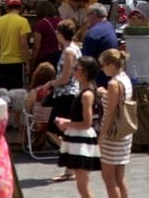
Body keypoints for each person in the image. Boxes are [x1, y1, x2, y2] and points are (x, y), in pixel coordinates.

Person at [56, 55, 102, 198]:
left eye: (76, 68)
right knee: (82, 185)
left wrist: (65, 123)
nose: (73, 71)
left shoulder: (86, 95)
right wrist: (67, 122)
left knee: (83, 185)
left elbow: (87, 123)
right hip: (78, 137)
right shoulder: (86, 91)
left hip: (81, 139)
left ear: (85, 72)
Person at [99, 49, 134, 198]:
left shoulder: (113, 83)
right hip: (123, 131)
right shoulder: (125, 78)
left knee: (109, 178)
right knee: (119, 176)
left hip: (112, 133)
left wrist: (101, 136)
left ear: (111, 65)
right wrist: (105, 93)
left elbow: (110, 113)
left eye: (103, 65)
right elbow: (119, 100)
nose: (102, 69)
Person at [47, 18, 82, 164]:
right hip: (69, 93)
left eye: (57, 32)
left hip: (66, 94)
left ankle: (70, 154)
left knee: (53, 127)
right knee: (65, 129)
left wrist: (51, 83)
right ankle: (70, 156)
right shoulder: (74, 48)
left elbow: (65, 78)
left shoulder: (68, 51)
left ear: (61, 34)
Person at [0, 0, 31, 89]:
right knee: (16, 92)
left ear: (7, 8)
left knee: (4, 91)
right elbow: (23, 44)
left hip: (3, 62)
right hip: (17, 63)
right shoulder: (23, 21)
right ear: (20, 8)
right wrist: (27, 63)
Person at [83, 3, 118, 88]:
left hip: (99, 80)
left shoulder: (92, 34)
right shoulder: (109, 26)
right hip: (111, 73)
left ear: (93, 14)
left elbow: (86, 62)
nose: (86, 18)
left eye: (87, 15)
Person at [31, 0, 62, 71]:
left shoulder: (40, 24)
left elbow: (36, 46)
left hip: (44, 58)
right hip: (59, 55)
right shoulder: (60, 21)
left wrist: (32, 62)